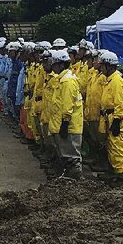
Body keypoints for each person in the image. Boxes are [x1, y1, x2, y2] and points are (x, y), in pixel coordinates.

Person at [48, 49, 84, 179]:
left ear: (61, 65)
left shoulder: (67, 81)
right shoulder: (62, 79)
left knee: (71, 156)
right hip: (63, 124)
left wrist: (65, 122)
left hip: (69, 126)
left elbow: (67, 104)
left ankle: (76, 180)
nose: (52, 67)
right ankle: (69, 178)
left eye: (54, 64)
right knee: (65, 154)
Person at [97, 51, 123, 177]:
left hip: (115, 118)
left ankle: (122, 174)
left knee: (117, 147)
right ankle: (114, 172)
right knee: (111, 146)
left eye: (103, 66)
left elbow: (120, 103)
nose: (101, 68)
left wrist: (117, 121)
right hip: (108, 117)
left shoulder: (116, 81)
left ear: (109, 66)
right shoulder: (109, 80)